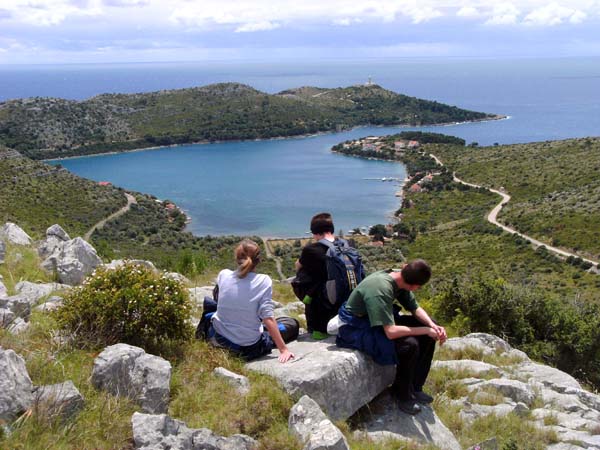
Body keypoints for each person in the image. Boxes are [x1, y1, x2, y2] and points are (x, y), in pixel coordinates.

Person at [335, 259, 447, 415]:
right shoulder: (381, 288)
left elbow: (414, 308)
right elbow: (391, 332)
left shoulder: (400, 277)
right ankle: (402, 394)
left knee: (429, 327)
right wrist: (425, 330)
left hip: (376, 319)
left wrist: (432, 326)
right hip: (356, 325)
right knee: (409, 345)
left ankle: (415, 387)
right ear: (415, 287)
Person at [208, 239, 295, 363]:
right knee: (291, 324)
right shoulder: (263, 281)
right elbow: (267, 318)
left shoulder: (223, 274)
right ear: (258, 260)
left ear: (237, 258)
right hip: (247, 347)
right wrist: (283, 349)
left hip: (219, 338)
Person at [295, 212, 341, 340]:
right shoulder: (346, 245)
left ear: (315, 232)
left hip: (324, 308)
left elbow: (298, 266)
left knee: (305, 275)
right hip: (345, 303)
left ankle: (316, 330)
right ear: (331, 229)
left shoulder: (311, 250)